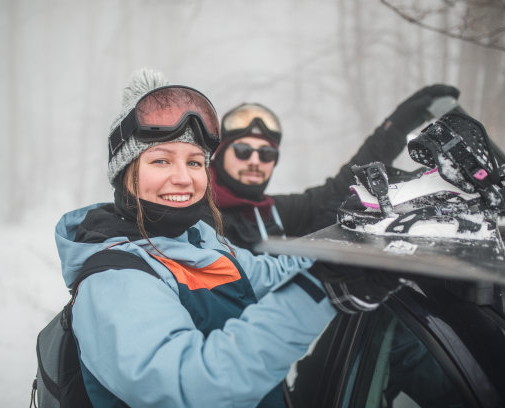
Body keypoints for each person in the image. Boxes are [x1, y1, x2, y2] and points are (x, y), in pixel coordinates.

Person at [54, 68, 403, 408]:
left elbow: (268, 274)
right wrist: (319, 288)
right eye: (161, 161)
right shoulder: (116, 281)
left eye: (194, 163)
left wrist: (348, 246)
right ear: (126, 173)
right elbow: (196, 388)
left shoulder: (198, 239)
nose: (183, 178)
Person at [208, 85, 460, 251]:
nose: (255, 161)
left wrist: (396, 126)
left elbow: (341, 187)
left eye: (266, 153)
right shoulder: (197, 214)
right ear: (218, 155)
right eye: (243, 151)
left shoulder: (275, 212)